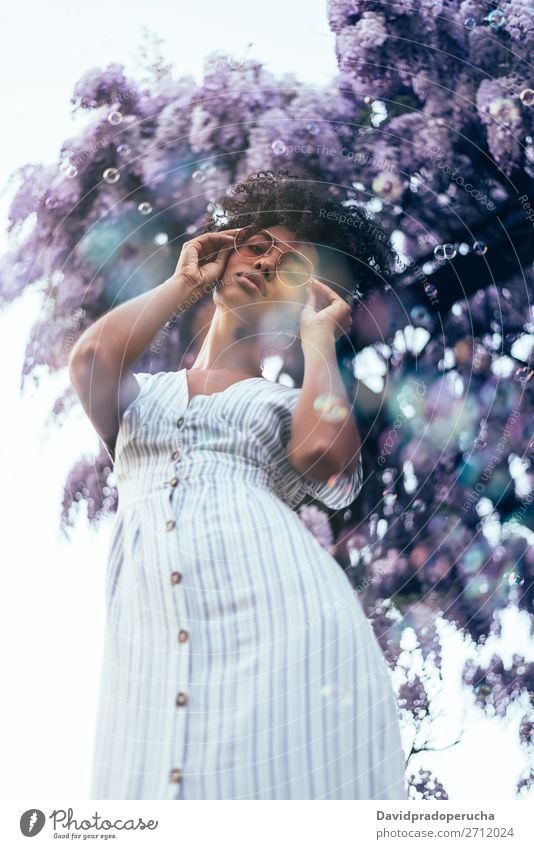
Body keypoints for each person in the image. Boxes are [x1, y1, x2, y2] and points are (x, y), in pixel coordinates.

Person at [69, 170, 407, 800]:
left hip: (285, 622)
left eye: (289, 265)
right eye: (258, 245)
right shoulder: (144, 399)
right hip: (154, 632)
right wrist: (181, 281)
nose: (266, 262)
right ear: (226, 250)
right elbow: (91, 361)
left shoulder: (286, 403)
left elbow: (322, 454)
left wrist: (319, 343)